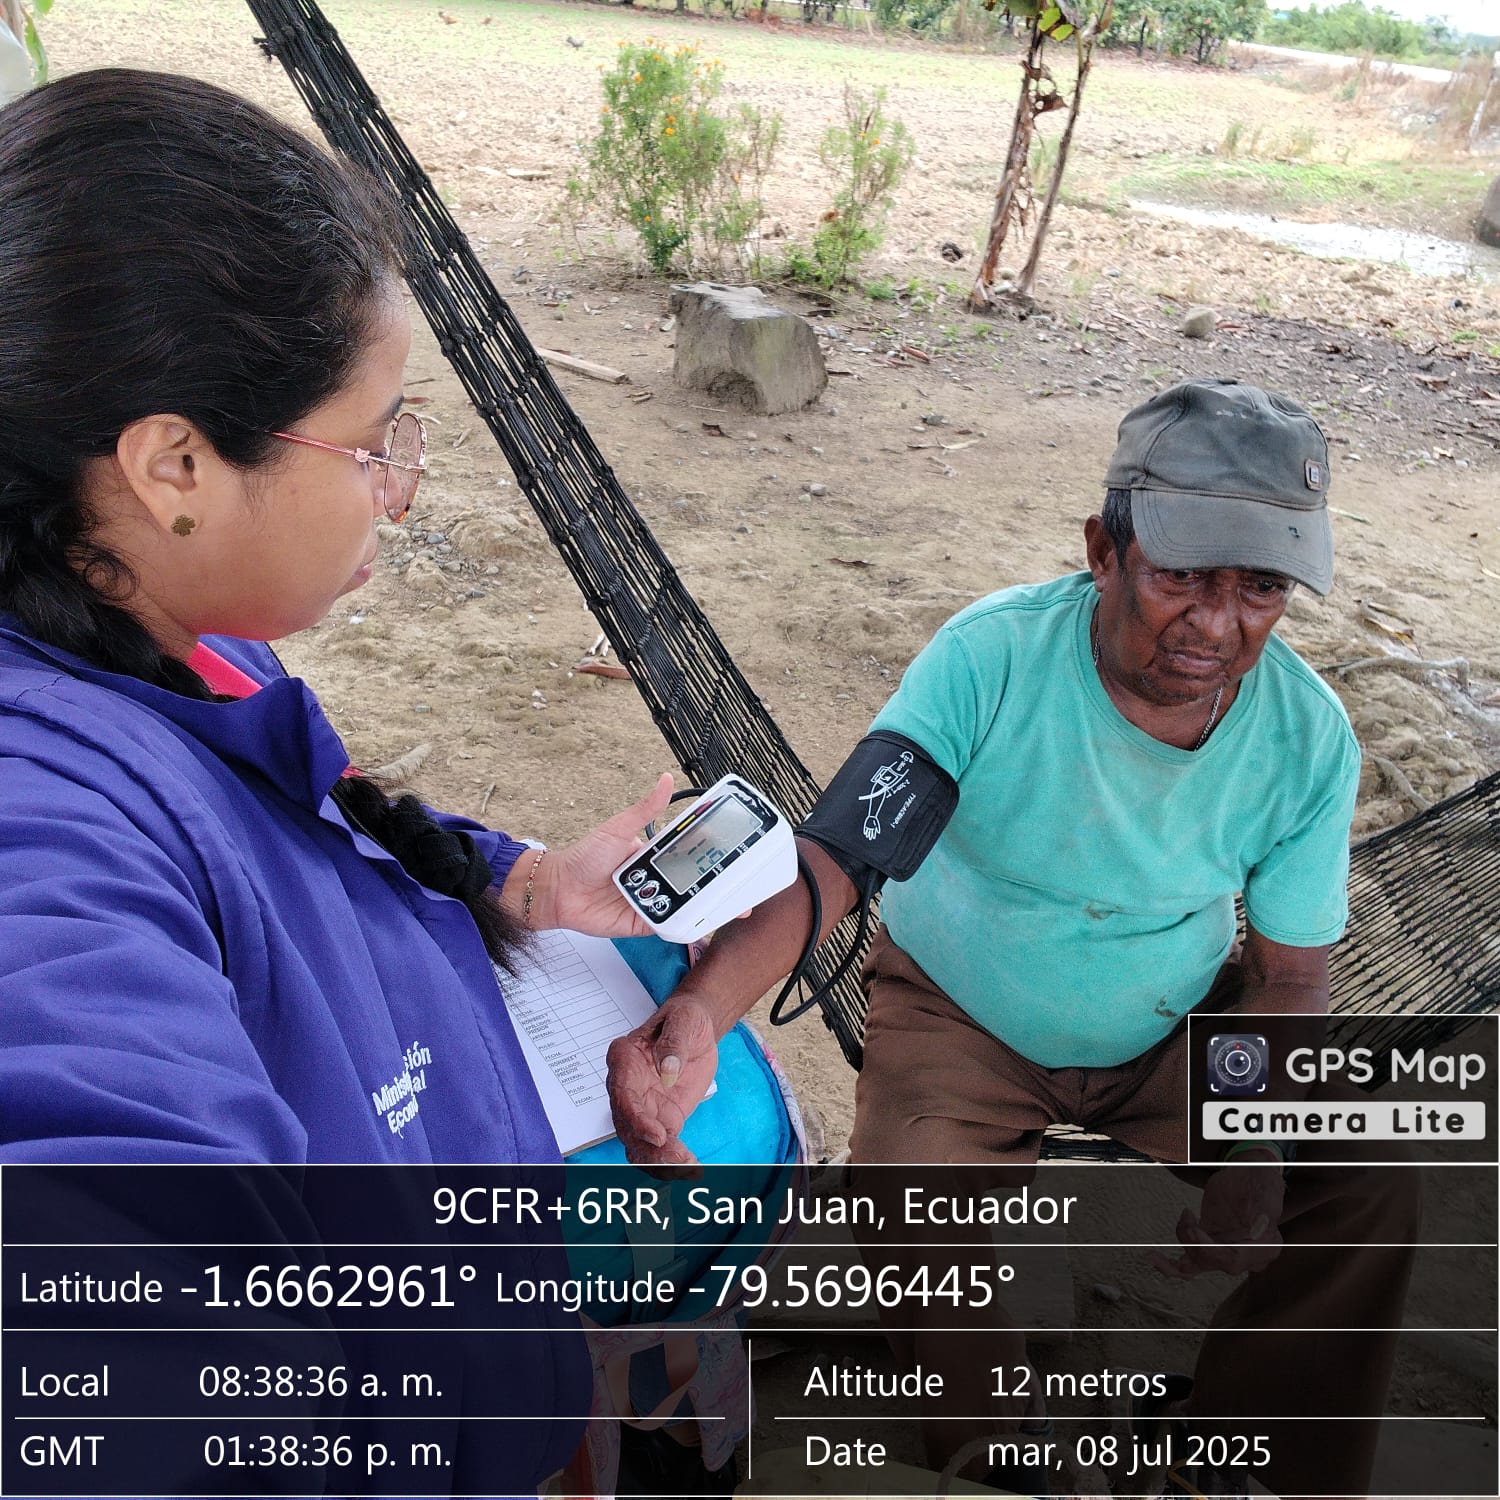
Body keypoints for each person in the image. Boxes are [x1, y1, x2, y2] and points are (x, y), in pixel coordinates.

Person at [0, 67, 696, 1493]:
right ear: (174, 465)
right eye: (371, 440)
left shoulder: (176, 643)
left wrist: (516, 879)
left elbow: (291, 826)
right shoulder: (42, 816)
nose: (397, 488)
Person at [610, 379, 1420, 1499]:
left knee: (1372, 1165)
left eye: (1262, 588)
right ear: (1103, 551)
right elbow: (835, 860)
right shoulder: (990, 662)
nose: (1218, 625)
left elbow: (1288, 978)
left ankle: (1250, 1460)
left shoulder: (1306, 737)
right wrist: (703, 1009)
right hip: (962, 1012)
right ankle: (1003, 1459)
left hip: (1173, 1021)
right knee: (910, 1195)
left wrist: (1266, 1146)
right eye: (1182, 576)